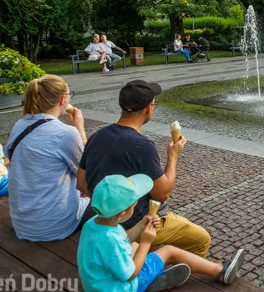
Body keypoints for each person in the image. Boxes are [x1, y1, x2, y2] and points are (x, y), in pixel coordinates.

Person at [78, 80, 213, 257]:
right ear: (148, 108)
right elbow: (162, 193)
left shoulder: (97, 136)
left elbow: (81, 183)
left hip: (100, 220)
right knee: (201, 239)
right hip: (132, 223)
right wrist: (173, 157)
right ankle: (156, 271)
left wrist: (109, 205)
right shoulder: (141, 146)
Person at [77, 173, 245, 292]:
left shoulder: (94, 225)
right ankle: (220, 271)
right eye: (134, 205)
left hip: (97, 290)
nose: (136, 206)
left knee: (133, 245)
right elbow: (129, 275)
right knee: (168, 251)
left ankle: (152, 279)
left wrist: (142, 224)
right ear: (121, 214)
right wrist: (146, 243)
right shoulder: (111, 241)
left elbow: (124, 242)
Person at [5, 75, 94, 241]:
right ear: (63, 99)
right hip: (54, 225)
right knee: (110, 199)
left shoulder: (20, 125)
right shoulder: (65, 133)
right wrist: (80, 129)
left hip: (23, 222)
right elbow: (89, 169)